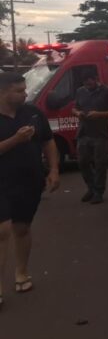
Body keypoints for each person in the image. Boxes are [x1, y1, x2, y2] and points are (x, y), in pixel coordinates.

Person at [0, 72, 60, 310]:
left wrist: (54, 170)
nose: (25, 94)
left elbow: (48, 141)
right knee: (2, 230)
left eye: (25, 89)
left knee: (22, 229)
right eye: (19, 90)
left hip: (28, 181)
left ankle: (21, 273)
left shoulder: (33, 113)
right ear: (3, 92)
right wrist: (16, 139)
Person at [72, 72, 108, 205]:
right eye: (85, 82)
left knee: (100, 164)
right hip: (83, 133)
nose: (87, 84)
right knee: (82, 162)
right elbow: (74, 108)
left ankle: (98, 192)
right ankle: (91, 188)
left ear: (96, 80)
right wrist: (78, 113)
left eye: (89, 81)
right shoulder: (80, 91)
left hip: (101, 134)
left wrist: (100, 114)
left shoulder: (107, 91)